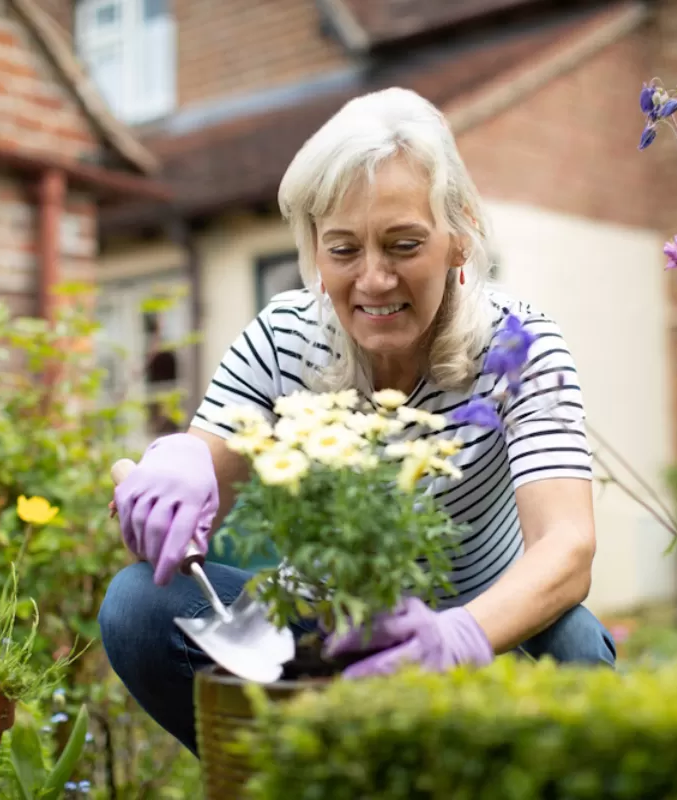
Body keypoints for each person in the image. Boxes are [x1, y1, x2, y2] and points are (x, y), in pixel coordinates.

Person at [100, 87, 616, 755]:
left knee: (574, 645)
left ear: (459, 237)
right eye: (343, 250)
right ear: (314, 249)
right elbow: (199, 505)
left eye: (403, 245)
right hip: (322, 635)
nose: (373, 280)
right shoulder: (283, 337)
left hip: (481, 634)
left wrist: (457, 637)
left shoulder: (520, 346)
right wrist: (177, 472)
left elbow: (567, 547)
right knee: (141, 607)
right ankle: (292, 782)